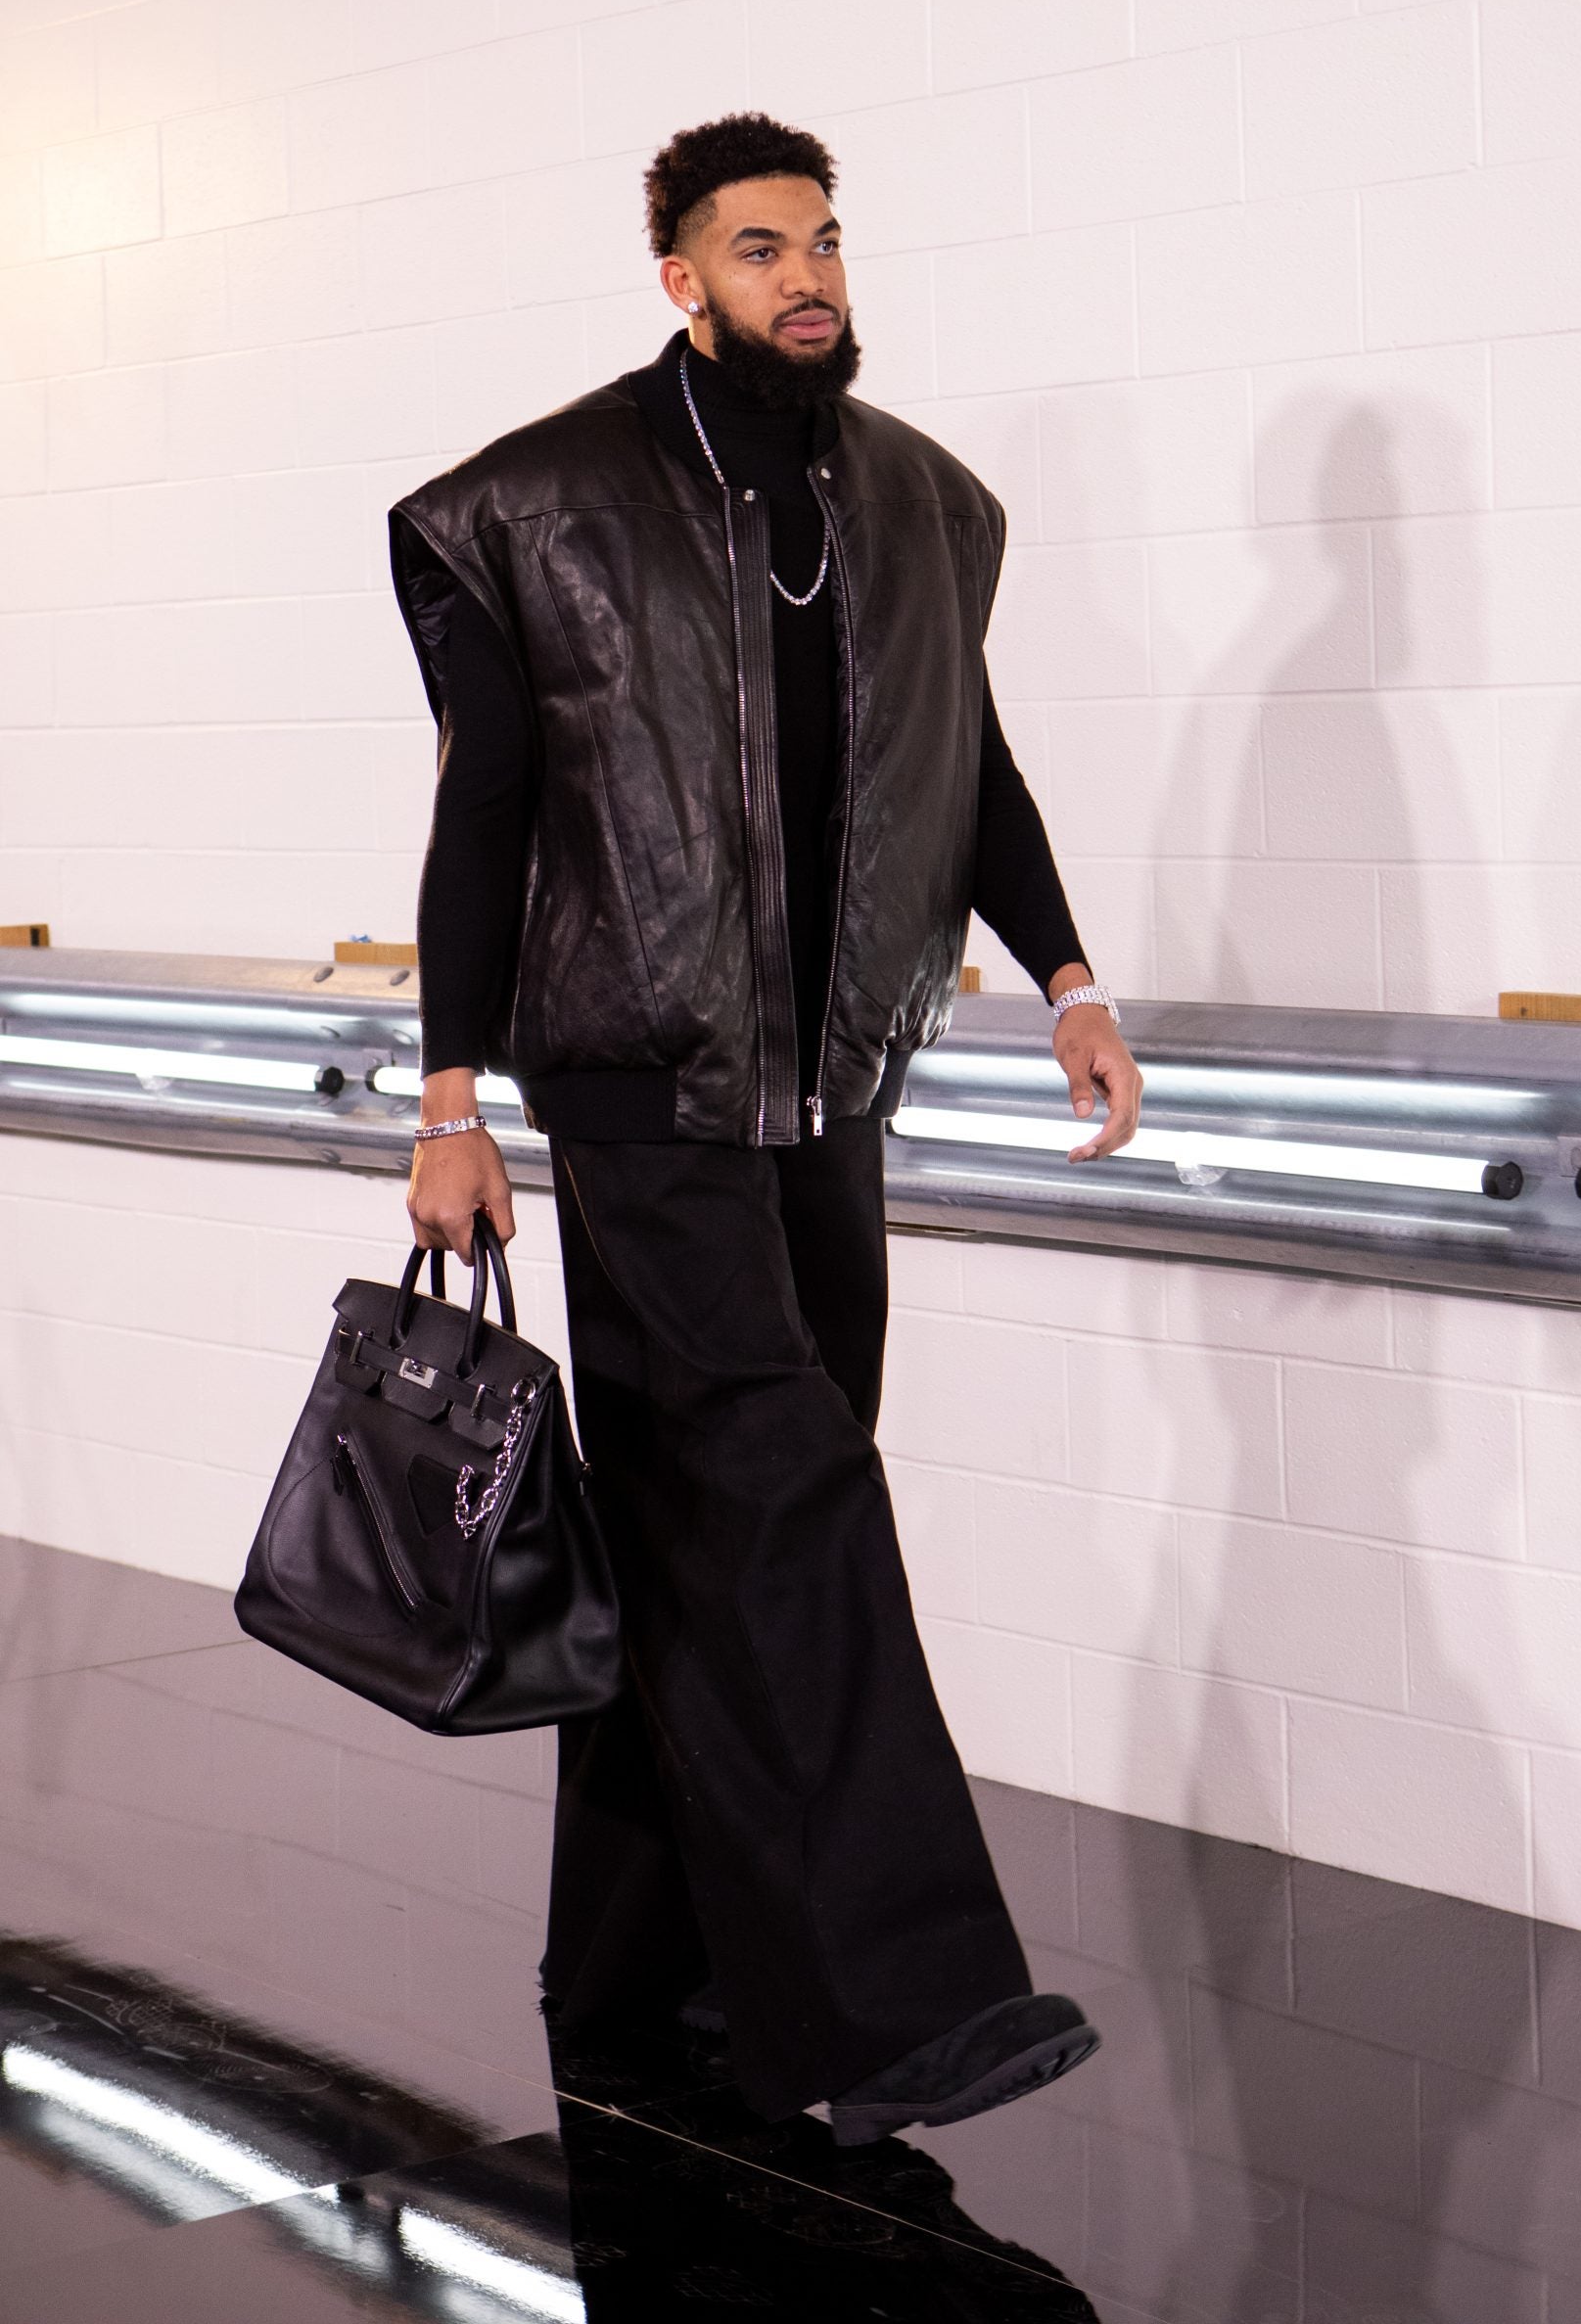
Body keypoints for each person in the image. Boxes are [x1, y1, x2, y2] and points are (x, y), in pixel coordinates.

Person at [389, 112, 1143, 2143]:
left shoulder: (914, 506)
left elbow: (965, 762)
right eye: (756, 249)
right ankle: (896, 2004)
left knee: (702, 1531)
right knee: (788, 1496)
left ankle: (630, 1972)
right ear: (677, 279)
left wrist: (1066, 976)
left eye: (820, 242)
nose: (804, 277)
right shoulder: (538, 506)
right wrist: (448, 1093)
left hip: (832, 1089)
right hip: (641, 1092)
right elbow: (484, 819)